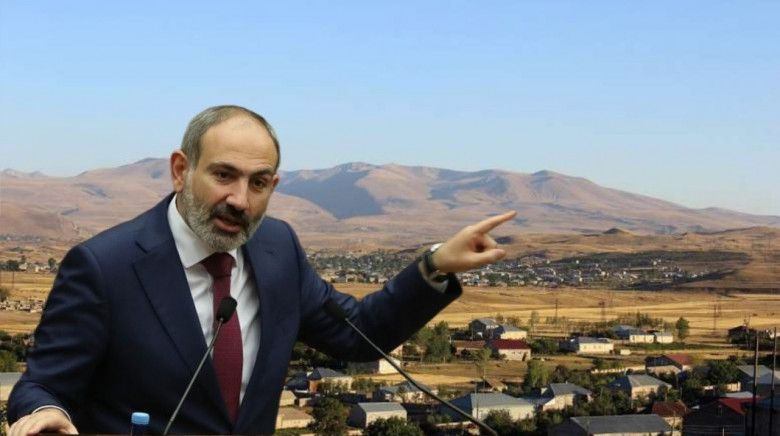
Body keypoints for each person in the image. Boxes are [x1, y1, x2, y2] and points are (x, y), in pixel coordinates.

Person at [8, 105, 516, 435]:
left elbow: (357, 334)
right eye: (223, 175)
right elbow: (43, 385)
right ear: (182, 170)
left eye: (258, 183)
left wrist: (434, 265)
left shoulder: (277, 249)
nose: (240, 200)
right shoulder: (105, 267)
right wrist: (43, 412)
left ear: (273, 185)